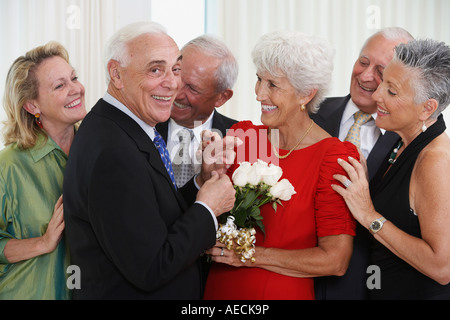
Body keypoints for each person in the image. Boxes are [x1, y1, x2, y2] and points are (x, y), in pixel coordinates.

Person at [63, 21, 237, 300]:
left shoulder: (125, 127)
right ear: (116, 75)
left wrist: (200, 182)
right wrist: (207, 208)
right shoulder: (113, 150)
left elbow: (152, 214)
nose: (172, 84)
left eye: (175, 69)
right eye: (156, 69)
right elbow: (152, 267)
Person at [203, 30, 359, 300]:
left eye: (272, 85)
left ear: (305, 94)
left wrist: (249, 254)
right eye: (258, 79)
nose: (258, 93)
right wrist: (208, 173)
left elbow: (335, 261)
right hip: (220, 289)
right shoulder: (242, 137)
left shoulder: (333, 157)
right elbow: (207, 217)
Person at [333, 39, 450, 299]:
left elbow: (442, 267)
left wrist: (367, 214)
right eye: (383, 84)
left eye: (392, 92)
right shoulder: (401, 141)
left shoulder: (435, 160)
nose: (376, 96)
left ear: (427, 108)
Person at [311, 27, 414, 300]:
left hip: (372, 281)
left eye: (381, 70)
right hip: (305, 271)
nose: (366, 76)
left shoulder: (411, 138)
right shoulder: (312, 111)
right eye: (363, 62)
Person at [0, 41, 86, 299]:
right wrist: (43, 243)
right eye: (60, 85)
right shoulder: (8, 166)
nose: (76, 90)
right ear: (32, 106)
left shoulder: (99, 152)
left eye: (74, 78)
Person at [156, 34, 238, 188]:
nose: (176, 92)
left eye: (192, 88)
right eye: (176, 75)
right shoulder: (143, 129)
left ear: (222, 97)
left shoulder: (241, 140)